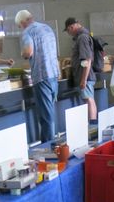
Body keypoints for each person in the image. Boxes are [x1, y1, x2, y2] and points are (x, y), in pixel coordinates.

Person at [15, 10, 60, 142]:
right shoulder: (47, 28)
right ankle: (52, 143)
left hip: (41, 76)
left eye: (19, 26)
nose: (20, 28)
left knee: (46, 117)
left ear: (22, 22)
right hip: (54, 74)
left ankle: (48, 148)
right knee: (50, 113)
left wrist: (23, 53)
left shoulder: (27, 32)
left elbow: (28, 52)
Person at [64, 17, 97, 121]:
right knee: (89, 99)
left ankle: (92, 125)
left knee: (88, 100)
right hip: (86, 75)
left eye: (68, 31)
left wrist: (83, 79)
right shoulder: (83, 36)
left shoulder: (82, 37)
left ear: (71, 27)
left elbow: (87, 59)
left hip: (85, 75)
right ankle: (93, 123)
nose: (69, 33)